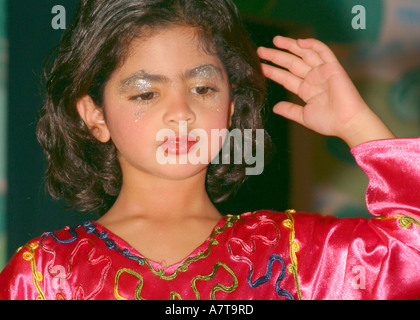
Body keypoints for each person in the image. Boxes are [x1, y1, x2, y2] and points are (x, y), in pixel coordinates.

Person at [0, 0, 419, 300]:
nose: (181, 113)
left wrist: (357, 125)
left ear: (231, 106)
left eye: (202, 89)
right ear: (95, 116)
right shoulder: (44, 275)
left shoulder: (296, 257)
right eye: (146, 94)